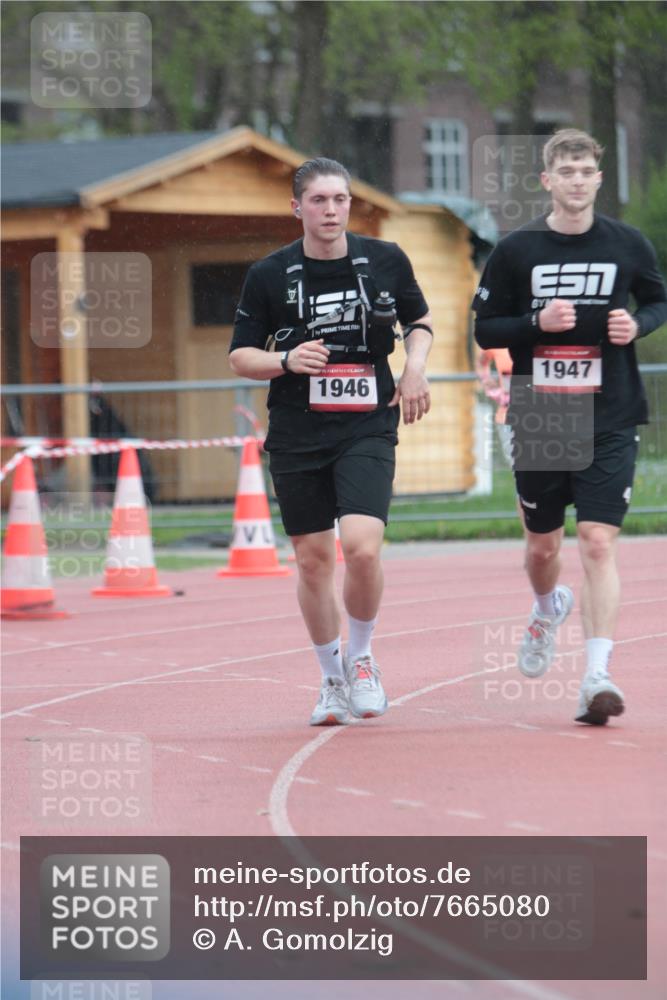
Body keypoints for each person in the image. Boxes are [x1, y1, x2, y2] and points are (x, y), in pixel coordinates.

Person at [473, 128, 667, 726]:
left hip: (610, 410)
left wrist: (638, 326)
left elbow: (660, 301)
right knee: (543, 547)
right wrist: (537, 321)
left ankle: (597, 675)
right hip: (544, 410)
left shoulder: (628, 244)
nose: (578, 181)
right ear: (548, 181)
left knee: (599, 542)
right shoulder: (517, 249)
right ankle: (544, 606)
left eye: (587, 171)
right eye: (568, 172)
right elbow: (486, 329)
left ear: (598, 179)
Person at [229, 157, 432, 726]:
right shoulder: (270, 274)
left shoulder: (385, 259)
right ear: (297, 207)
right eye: (318, 200)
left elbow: (420, 321)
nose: (330, 210)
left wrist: (415, 368)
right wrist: (286, 359)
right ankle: (331, 677)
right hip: (297, 429)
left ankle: (363, 659)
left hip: (367, 420)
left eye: (340, 199)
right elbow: (240, 355)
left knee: (362, 547)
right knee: (313, 560)